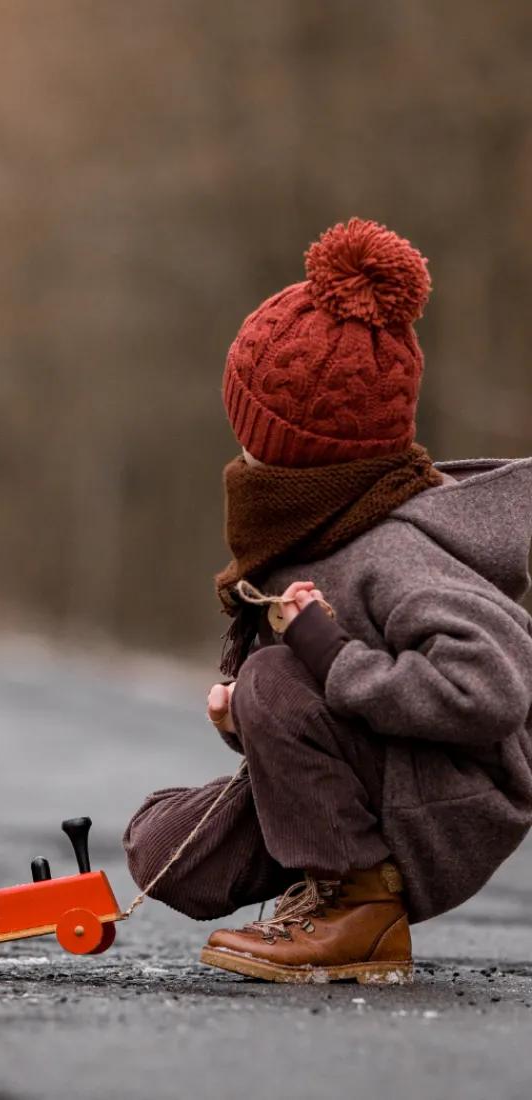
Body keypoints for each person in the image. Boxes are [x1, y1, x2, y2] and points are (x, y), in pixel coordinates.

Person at [123, 218, 532, 984]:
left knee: (271, 681)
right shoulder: (315, 532)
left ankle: (360, 910)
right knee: (163, 848)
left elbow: (495, 689)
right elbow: (334, 720)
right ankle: (335, 885)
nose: (240, 453)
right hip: (395, 782)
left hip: (453, 805)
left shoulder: (389, 551)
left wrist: (326, 658)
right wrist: (246, 722)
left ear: (296, 453)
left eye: (252, 437)